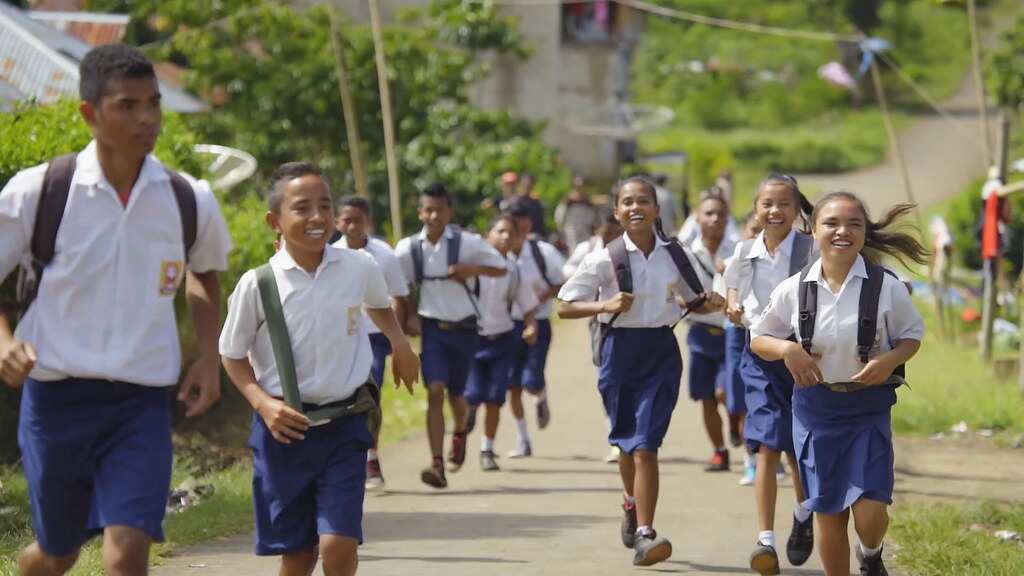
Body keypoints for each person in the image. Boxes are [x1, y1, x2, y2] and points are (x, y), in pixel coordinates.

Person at [0, 43, 232, 575]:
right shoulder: (41, 191)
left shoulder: (186, 197)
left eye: (153, 103)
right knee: (57, 553)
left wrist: (208, 356)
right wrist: (5, 343)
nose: (146, 118)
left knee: (127, 549)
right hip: (57, 400)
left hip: (140, 403)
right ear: (90, 113)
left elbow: (204, 273)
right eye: (128, 105)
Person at [220, 163, 419, 576]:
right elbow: (232, 354)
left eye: (325, 206)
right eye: (302, 208)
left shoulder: (358, 266)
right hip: (284, 433)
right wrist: (262, 404)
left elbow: (379, 304)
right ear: (275, 221)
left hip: (345, 424)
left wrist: (400, 344)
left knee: (338, 544)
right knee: (298, 555)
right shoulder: (259, 284)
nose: (317, 217)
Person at [750, 191, 926, 576]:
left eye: (853, 224)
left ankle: (871, 552)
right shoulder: (794, 288)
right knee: (828, 510)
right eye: (831, 223)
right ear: (813, 231)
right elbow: (758, 338)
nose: (842, 231)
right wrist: (787, 349)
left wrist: (888, 361)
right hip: (816, 409)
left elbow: (912, 335)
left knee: (870, 509)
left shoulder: (886, 287)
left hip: (868, 407)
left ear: (864, 233)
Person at [558, 177, 724, 567]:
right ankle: (631, 501)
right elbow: (564, 305)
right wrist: (604, 306)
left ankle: (646, 533)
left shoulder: (675, 254)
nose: (636, 208)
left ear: (657, 208)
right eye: (628, 202)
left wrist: (712, 302)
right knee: (626, 444)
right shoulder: (604, 258)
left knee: (647, 444)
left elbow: (695, 300)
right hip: (619, 352)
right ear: (617, 211)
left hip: (661, 351)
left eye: (643, 201)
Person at [722, 174, 817, 575]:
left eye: (784, 204)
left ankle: (803, 514)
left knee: (799, 447)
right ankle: (765, 540)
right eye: (767, 204)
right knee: (766, 443)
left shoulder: (812, 249)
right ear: (755, 209)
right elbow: (732, 289)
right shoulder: (744, 251)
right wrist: (731, 306)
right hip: (759, 355)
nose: (775, 211)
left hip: (803, 356)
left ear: (796, 210)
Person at [395, 183, 507, 489]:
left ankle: (460, 432)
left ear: (449, 212)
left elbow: (501, 267)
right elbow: (398, 287)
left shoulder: (467, 243)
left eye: (439, 210)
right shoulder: (408, 249)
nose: (433, 216)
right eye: (428, 210)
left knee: (457, 395)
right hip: (432, 329)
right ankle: (437, 463)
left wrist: (471, 269)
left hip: (465, 329)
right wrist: (408, 318)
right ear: (420, 212)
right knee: (434, 390)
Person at [333, 195, 410, 491]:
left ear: (368, 221)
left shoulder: (384, 255)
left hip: (376, 337)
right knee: (344, 397)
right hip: (342, 337)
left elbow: (399, 297)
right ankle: (346, 458)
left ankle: (371, 456)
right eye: (347, 220)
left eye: (358, 220)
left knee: (370, 395)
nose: (352, 226)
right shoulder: (329, 255)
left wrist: (396, 340)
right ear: (337, 222)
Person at [464, 215, 540, 471]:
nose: (506, 237)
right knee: (473, 394)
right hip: (473, 340)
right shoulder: (472, 265)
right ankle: (467, 414)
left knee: (495, 398)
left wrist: (531, 326)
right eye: (500, 231)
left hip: (503, 340)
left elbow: (528, 305)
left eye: (511, 233)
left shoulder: (514, 271)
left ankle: (487, 449)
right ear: (489, 235)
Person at [562, 207, 624, 464]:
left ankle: (627, 435)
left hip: (631, 324)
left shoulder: (630, 250)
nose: (611, 237)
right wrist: (590, 278)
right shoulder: (588, 251)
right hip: (600, 322)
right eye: (606, 232)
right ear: (597, 230)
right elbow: (567, 271)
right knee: (607, 379)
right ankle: (615, 437)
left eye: (615, 232)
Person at [506, 201, 566, 458]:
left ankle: (539, 394)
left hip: (538, 322)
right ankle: (523, 440)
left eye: (522, 218)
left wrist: (539, 297)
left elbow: (562, 280)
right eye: (512, 219)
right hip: (507, 325)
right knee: (512, 385)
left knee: (530, 381)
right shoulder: (497, 253)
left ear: (529, 222)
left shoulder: (543, 252)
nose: (518, 225)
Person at [684, 194, 737, 473]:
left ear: (727, 219)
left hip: (732, 333)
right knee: (706, 397)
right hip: (701, 334)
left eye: (720, 214)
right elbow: (678, 294)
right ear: (697, 218)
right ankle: (719, 451)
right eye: (708, 213)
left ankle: (737, 425)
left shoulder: (738, 250)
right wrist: (699, 305)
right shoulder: (686, 254)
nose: (714, 219)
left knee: (724, 392)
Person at [726, 212, 763, 487]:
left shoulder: (787, 260)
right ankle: (751, 459)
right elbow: (727, 294)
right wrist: (732, 306)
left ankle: (770, 454)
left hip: (775, 339)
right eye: (754, 230)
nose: (760, 235)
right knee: (742, 401)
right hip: (740, 335)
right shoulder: (739, 259)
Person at [554, 175, 599, 251]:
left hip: (585, 229)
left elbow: (593, 215)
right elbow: (560, 213)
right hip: (571, 228)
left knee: (586, 249)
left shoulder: (587, 200)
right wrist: (560, 227)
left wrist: (593, 225)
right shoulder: (568, 199)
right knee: (573, 249)